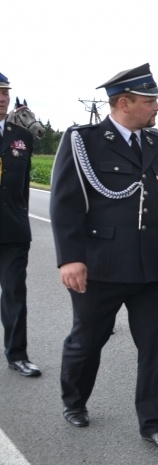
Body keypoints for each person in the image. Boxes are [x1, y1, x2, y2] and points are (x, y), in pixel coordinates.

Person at [50, 64, 158, 453]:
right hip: (100, 265)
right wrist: (70, 258)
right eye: (150, 101)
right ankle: (74, 400)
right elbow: (65, 204)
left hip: (151, 268)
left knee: (156, 348)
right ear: (124, 102)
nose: (157, 107)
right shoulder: (85, 140)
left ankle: (154, 423)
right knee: (88, 340)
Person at [0, 73, 40, 378]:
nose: (2, 97)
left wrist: (21, 217)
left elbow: (23, 186)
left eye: (5, 92)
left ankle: (17, 354)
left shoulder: (20, 137)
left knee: (14, 292)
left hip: (12, 230)